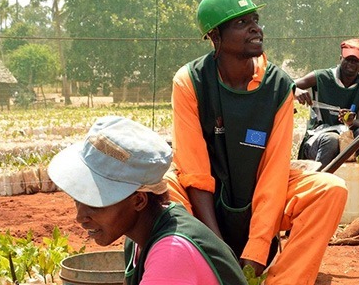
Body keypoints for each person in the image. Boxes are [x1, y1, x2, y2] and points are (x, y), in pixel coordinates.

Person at [168, 0, 348, 285]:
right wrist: (218, 251)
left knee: (330, 190)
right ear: (215, 37)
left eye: (255, 19)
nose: (256, 28)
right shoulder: (190, 82)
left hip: (262, 193)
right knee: (163, 191)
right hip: (204, 204)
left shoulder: (277, 86)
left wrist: (257, 249)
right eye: (241, 23)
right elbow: (195, 173)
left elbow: (274, 172)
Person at [47, 116, 247, 285]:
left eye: (95, 203)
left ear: (139, 200)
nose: (80, 217)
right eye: (77, 199)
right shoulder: (140, 236)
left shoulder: (172, 255)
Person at [294, 38, 359, 168]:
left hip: (347, 137)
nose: (351, 64)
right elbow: (286, 85)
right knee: (331, 139)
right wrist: (296, 90)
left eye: (356, 61)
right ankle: (320, 182)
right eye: (347, 59)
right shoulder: (321, 77)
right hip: (319, 137)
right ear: (340, 58)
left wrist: (350, 122)